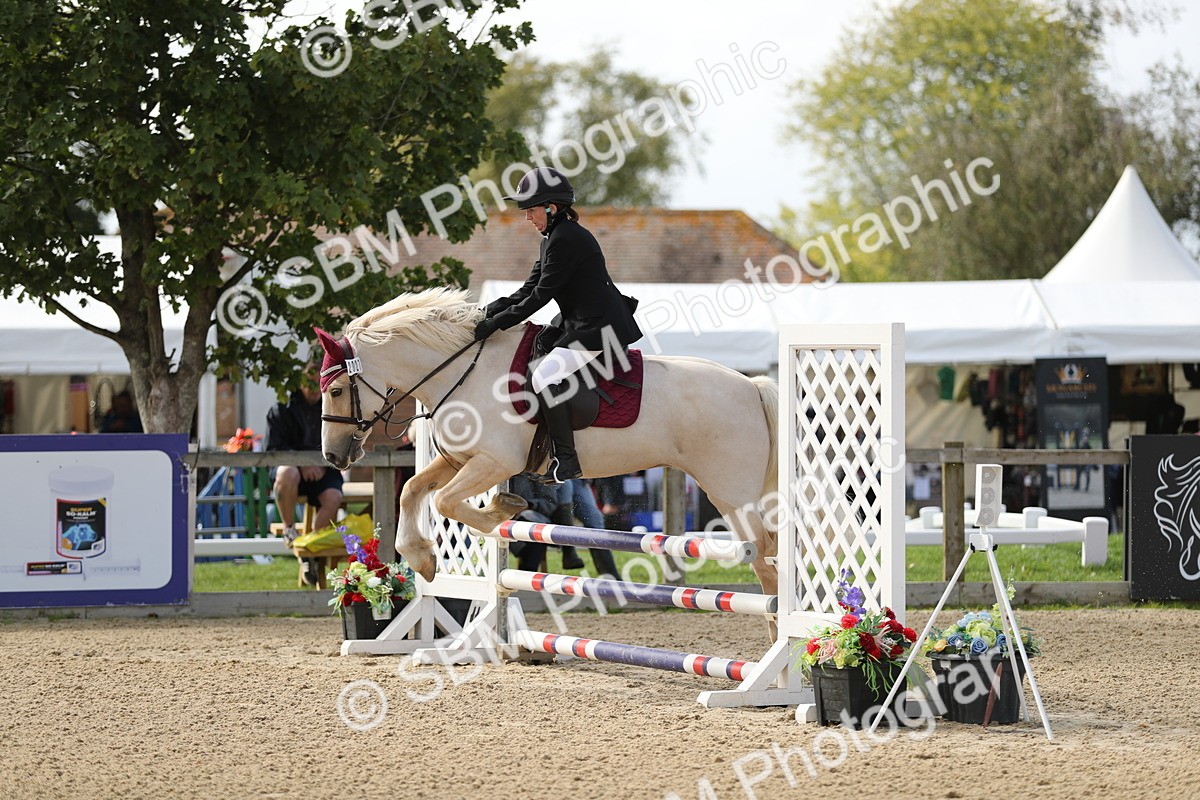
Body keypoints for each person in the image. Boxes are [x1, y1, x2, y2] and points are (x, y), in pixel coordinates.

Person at [472, 167, 642, 484]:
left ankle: (566, 459)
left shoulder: (567, 239)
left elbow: (540, 296)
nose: (527, 218)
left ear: (551, 208)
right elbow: (528, 288)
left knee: (544, 374)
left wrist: (497, 324)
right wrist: (486, 313)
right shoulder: (553, 238)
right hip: (578, 322)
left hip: (599, 329)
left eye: (531, 210)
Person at [266, 364, 344, 585]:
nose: (313, 388)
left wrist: (320, 465)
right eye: (308, 382)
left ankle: (311, 549)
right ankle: (289, 530)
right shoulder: (282, 407)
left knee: (334, 498)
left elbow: (339, 442)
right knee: (287, 472)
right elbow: (274, 449)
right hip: (291, 471)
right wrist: (302, 465)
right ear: (299, 382)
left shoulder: (333, 405)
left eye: (316, 382)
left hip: (324, 468)